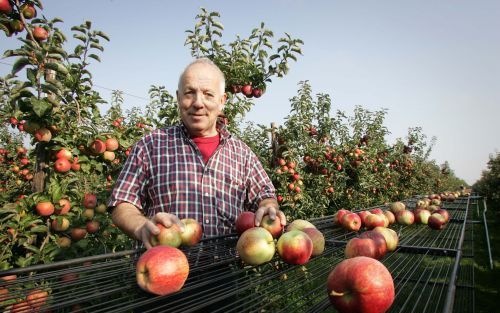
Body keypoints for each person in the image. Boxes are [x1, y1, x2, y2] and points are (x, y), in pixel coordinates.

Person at [108, 58, 285, 248]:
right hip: (163, 268)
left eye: (208, 94)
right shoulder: (150, 145)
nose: (198, 103)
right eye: (189, 93)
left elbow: (265, 195)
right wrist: (141, 226)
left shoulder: (242, 154)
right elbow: (122, 203)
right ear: (178, 97)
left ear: (222, 101)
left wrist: (269, 208)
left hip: (226, 272)